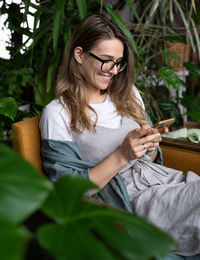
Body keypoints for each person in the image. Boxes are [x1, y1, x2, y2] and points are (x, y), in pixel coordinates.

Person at [39, 14, 200, 260]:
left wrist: (150, 145)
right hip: (133, 201)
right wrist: (123, 155)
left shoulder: (128, 93)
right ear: (79, 55)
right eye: (106, 61)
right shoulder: (58, 113)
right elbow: (69, 192)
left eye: (119, 62)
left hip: (170, 182)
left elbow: (150, 160)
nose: (114, 71)